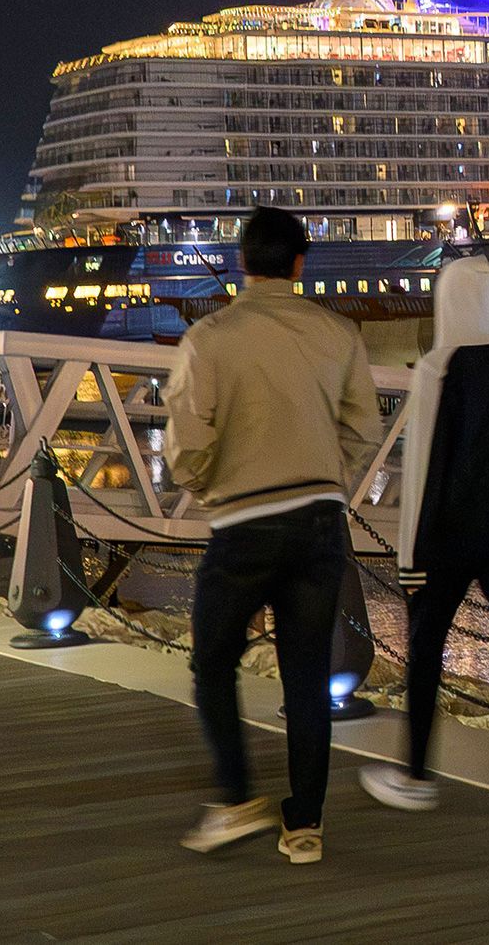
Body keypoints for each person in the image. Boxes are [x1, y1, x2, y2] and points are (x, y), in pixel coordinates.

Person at [168, 207, 380, 865]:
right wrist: (327, 477)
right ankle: (305, 825)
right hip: (320, 522)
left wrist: (210, 486)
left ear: (242, 263)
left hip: (243, 522)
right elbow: (364, 428)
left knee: (212, 660)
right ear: (298, 263)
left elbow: (187, 438)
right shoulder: (338, 331)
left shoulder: (210, 336)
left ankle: (237, 798)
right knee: (308, 674)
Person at [359, 256, 489, 828]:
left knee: (425, 654)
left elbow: (421, 469)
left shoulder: (438, 366)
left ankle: (414, 775)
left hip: (449, 539)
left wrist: (409, 560)